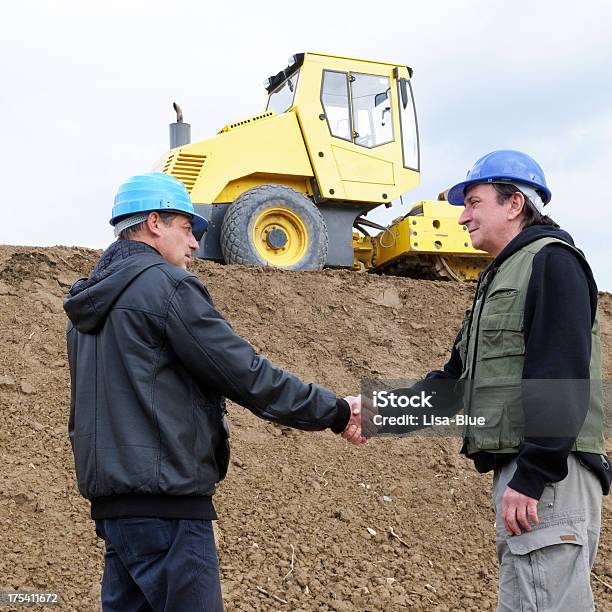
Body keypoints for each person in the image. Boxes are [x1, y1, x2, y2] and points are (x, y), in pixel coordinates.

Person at [64, 172, 364, 612]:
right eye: (187, 228)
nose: (194, 245)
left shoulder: (86, 306)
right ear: (153, 223)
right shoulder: (166, 287)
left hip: (115, 511)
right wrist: (336, 412)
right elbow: (245, 374)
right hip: (169, 505)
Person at [370, 150, 610, 610]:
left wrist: (535, 473)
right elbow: (456, 383)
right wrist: (377, 411)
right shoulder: (500, 277)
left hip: (549, 477)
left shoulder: (552, 262)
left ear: (514, 204)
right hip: (528, 474)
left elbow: (562, 372)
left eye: (474, 202)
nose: (462, 217)